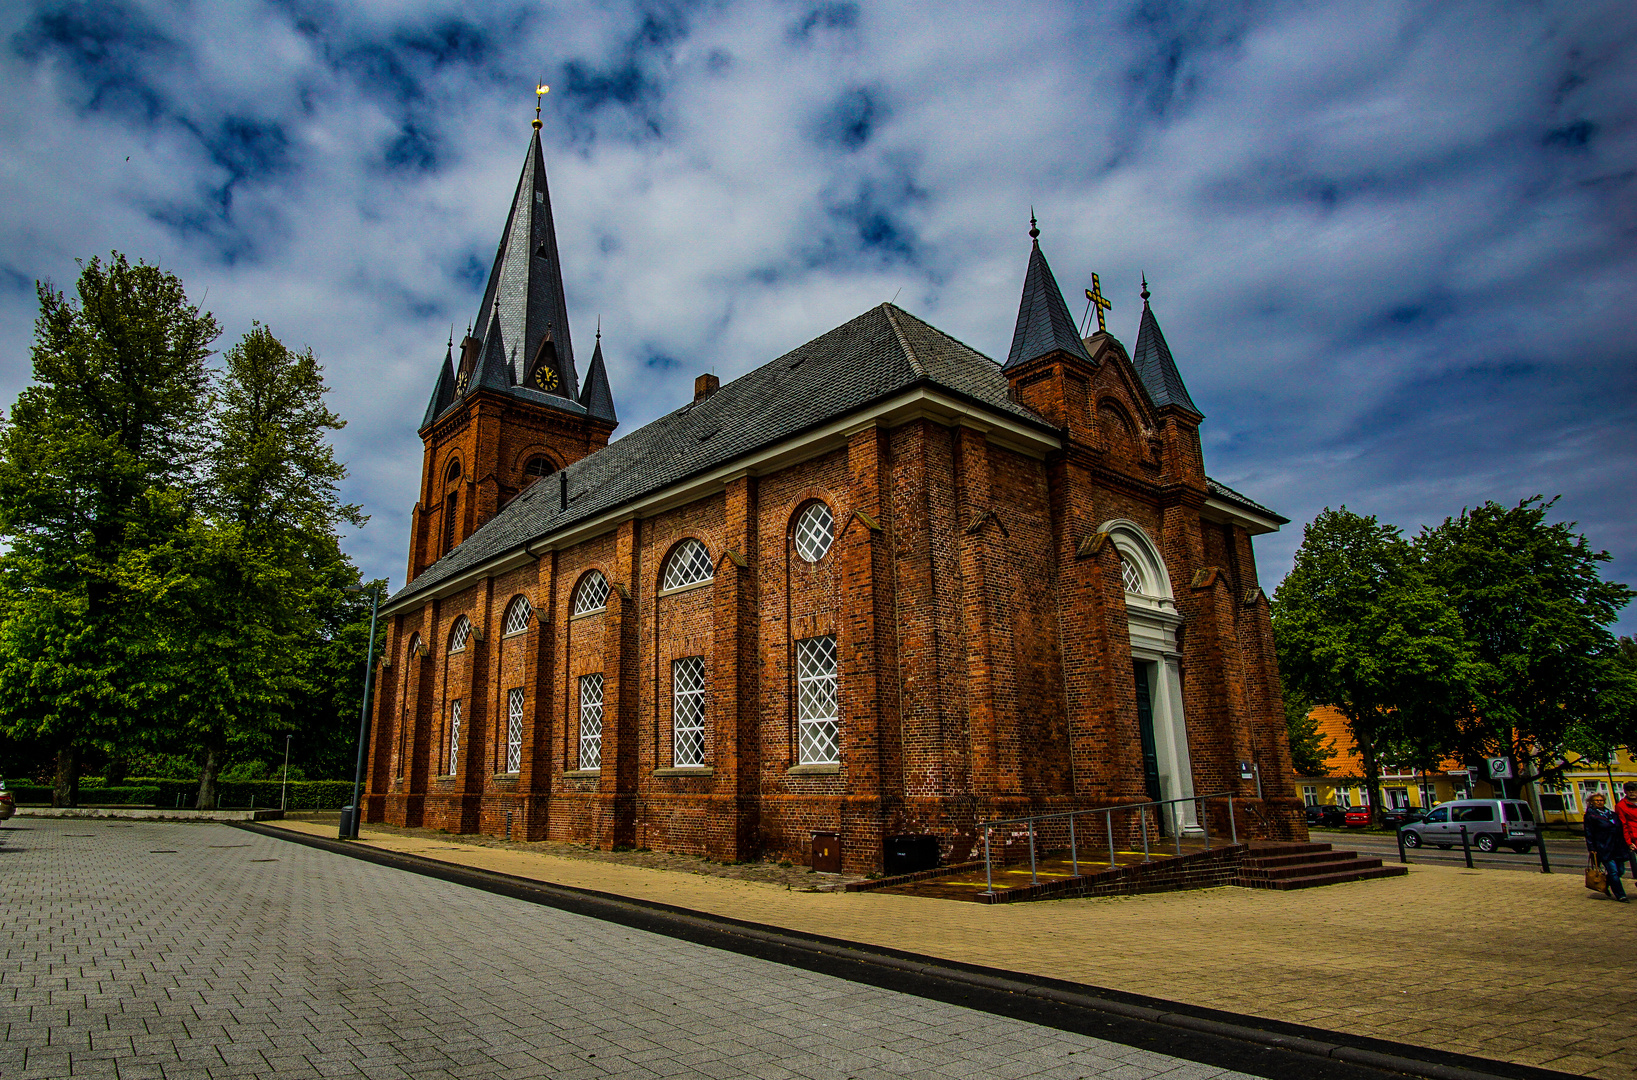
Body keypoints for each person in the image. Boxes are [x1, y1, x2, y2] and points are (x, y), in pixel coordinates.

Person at [1584, 791, 1630, 902]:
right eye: (1597, 800)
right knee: (1613, 871)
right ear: (1591, 802)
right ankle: (1620, 895)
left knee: (1620, 871)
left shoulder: (1611, 814)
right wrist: (1592, 848)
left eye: (1601, 800)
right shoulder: (1591, 815)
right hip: (1603, 847)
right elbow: (1588, 833)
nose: (1599, 802)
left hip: (1617, 847)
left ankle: (1606, 884)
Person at [1619, 782, 1637, 854]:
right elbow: (1623, 825)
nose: (1631, 792)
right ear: (1625, 791)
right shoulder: (1621, 806)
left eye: (1633, 789)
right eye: (1628, 790)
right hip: (1635, 838)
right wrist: (1629, 842)